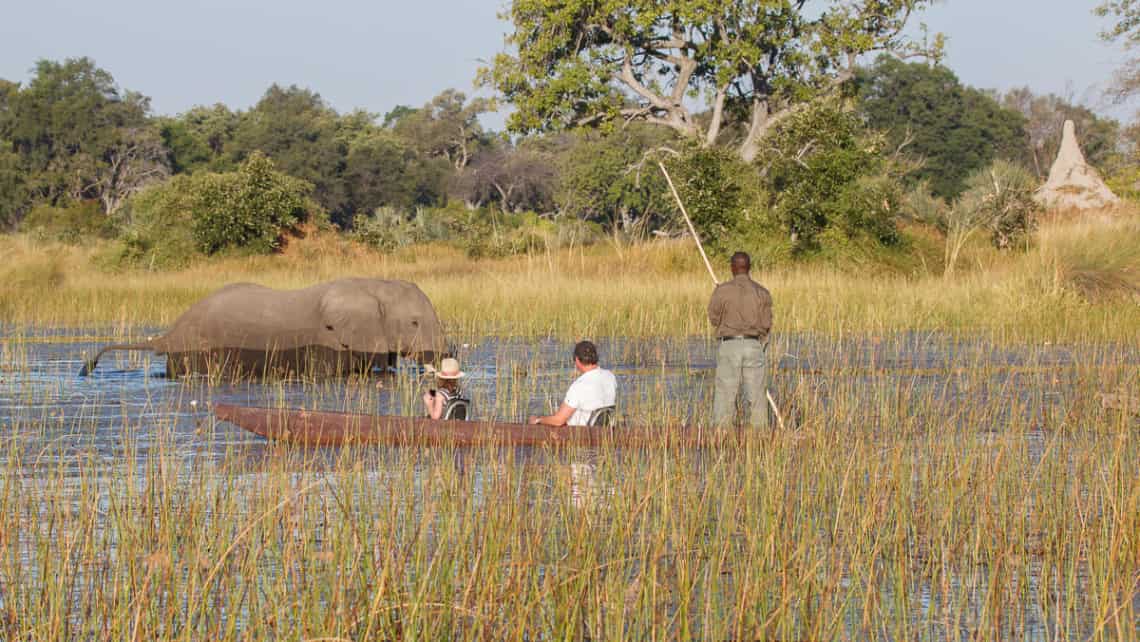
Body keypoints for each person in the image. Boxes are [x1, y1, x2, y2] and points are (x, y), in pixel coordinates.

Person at [708, 251, 773, 429]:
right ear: (749, 268)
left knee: (725, 393)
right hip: (753, 346)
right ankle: (760, 437)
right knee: (757, 394)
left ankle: (721, 435)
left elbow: (714, 319)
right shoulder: (762, 292)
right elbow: (767, 324)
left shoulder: (722, 291)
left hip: (729, 346)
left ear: (732, 268)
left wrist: (720, 295)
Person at [528, 340, 616, 426]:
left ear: (577, 360)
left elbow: (559, 421)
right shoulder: (610, 376)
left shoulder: (579, 385)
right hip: (605, 430)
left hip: (581, 433)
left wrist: (538, 419)